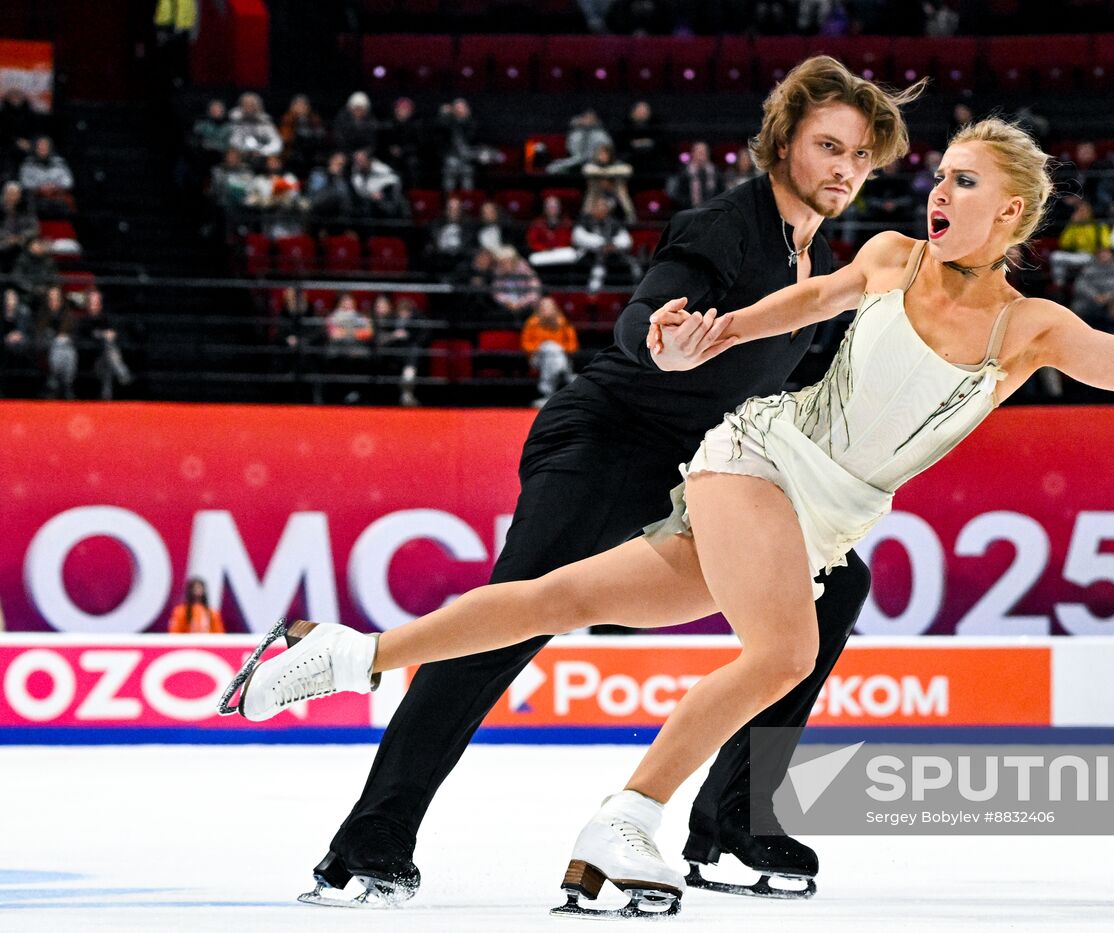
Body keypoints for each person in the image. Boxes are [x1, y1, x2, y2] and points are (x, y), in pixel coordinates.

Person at [231, 111, 1114, 914]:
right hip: (758, 457)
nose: (937, 191)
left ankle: (343, 653)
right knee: (782, 649)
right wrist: (708, 334)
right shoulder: (887, 257)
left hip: (825, 514)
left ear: (1011, 211)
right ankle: (628, 818)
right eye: (940, 176)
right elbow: (800, 299)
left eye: (964, 182)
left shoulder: (1034, 330)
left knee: (560, 597)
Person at [236, 56, 924, 911]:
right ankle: (368, 841)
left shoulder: (808, 260)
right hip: (610, 441)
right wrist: (659, 335)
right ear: (782, 141)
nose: (846, 171)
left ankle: (733, 826)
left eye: (860, 157)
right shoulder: (726, 225)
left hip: (703, 470)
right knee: (511, 618)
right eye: (830, 146)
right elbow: (653, 311)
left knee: (835, 585)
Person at [521, 295, 579, 406]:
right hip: (537, 358)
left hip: (559, 357)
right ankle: (567, 375)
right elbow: (526, 345)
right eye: (544, 306)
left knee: (552, 351)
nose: (546, 309)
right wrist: (543, 347)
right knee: (549, 347)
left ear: (554, 308)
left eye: (549, 306)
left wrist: (558, 348)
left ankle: (547, 394)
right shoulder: (532, 323)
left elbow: (573, 346)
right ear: (539, 308)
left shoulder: (563, 322)